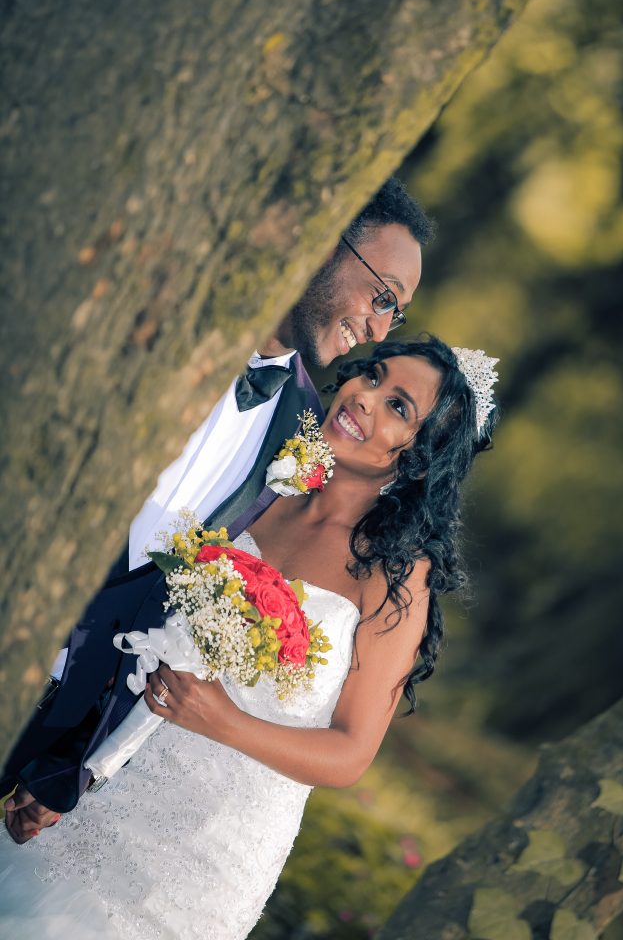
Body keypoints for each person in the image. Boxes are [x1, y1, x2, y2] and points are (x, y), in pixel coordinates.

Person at [0, 336, 498, 940]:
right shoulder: (265, 489)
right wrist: (66, 771)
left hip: (202, 856)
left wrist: (219, 720)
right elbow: (144, 633)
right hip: (104, 784)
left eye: (398, 407)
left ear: (419, 455)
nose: (365, 397)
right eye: (371, 375)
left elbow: (350, 754)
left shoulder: (397, 578)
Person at [0, 176, 432, 828]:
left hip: (41, 709)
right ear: (327, 236)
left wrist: (68, 757)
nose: (375, 327)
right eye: (381, 296)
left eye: (392, 313)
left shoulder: (301, 435)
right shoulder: (160, 313)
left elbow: (162, 599)